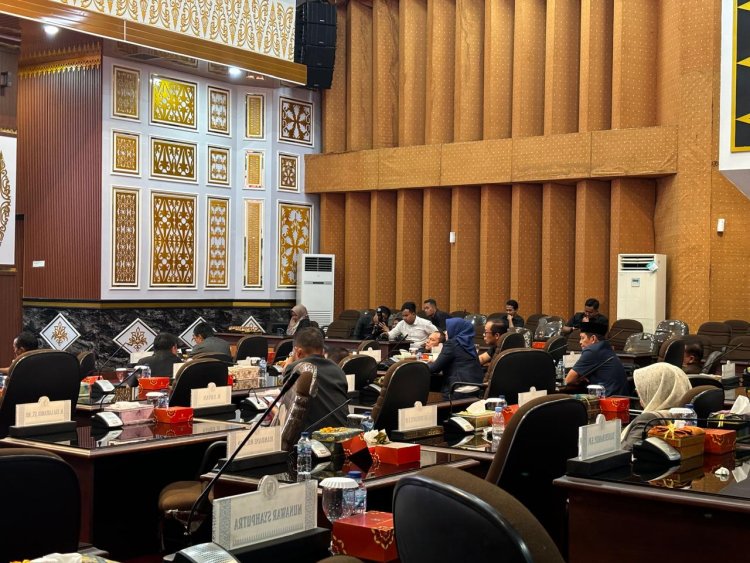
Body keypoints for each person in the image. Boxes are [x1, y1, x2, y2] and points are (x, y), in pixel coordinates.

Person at [282, 327, 349, 431]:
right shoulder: (338, 370)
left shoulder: (298, 368)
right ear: (323, 350)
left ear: (298, 352)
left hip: (313, 437)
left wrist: (287, 368)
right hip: (343, 434)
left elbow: (287, 406)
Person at [620, 363, 692, 451]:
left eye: (645, 384)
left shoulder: (649, 419)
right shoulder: (687, 415)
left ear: (658, 388)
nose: (636, 390)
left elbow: (625, 453)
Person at [564, 321, 627, 396]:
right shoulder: (605, 347)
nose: (580, 342)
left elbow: (568, 380)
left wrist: (577, 379)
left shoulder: (592, 351)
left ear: (593, 338)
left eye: (582, 338)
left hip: (607, 399)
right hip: (619, 397)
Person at [428, 318, 484, 399]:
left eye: (448, 329)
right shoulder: (469, 343)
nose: (446, 332)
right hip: (476, 388)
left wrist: (422, 365)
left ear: (455, 329)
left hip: (458, 389)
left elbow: (434, 368)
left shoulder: (451, 343)